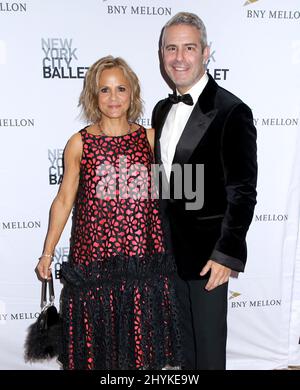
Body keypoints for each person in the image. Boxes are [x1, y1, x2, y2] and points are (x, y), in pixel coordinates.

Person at [36, 55, 182, 370]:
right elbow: (64, 200)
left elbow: (179, 194)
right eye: (105, 90)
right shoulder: (79, 143)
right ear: (94, 95)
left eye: (120, 89)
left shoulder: (150, 139)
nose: (113, 98)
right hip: (95, 260)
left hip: (141, 259)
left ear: (133, 93)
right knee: (96, 353)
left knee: (139, 351)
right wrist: (47, 253)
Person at [152, 12, 257, 369]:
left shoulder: (231, 111)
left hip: (210, 255)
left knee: (209, 355)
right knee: (184, 352)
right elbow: (162, 182)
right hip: (169, 253)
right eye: (171, 48)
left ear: (206, 52)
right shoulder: (161, 110)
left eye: (189, 47)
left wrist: (226, 254)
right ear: (162, 54)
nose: (179, 57)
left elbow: (243, 191)